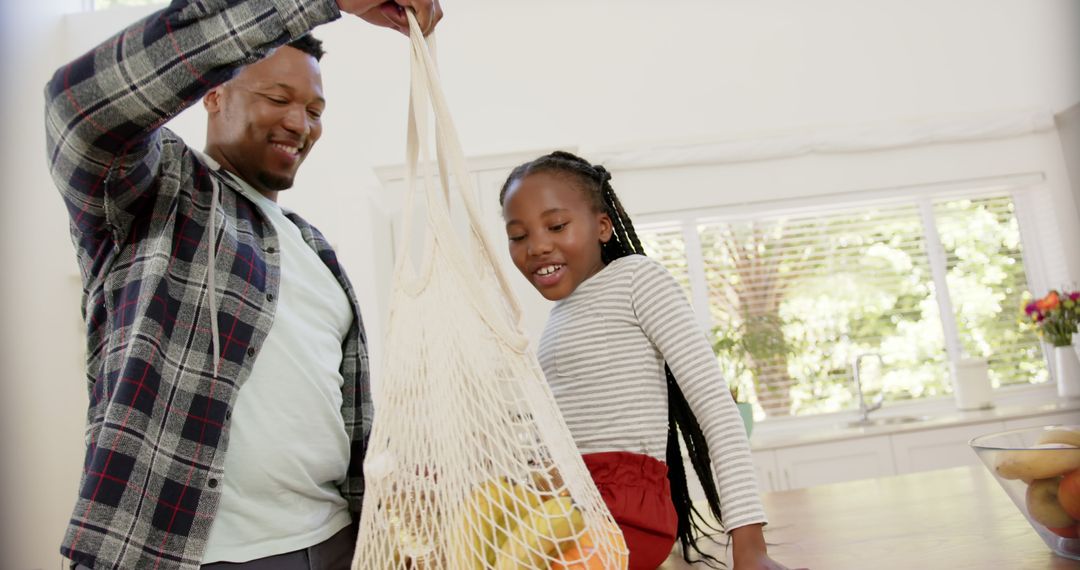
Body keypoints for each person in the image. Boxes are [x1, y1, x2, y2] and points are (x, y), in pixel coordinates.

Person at [44, 1, 441, 568]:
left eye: (314, 109)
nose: (299, 123)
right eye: (277, 99)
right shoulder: (157, 193)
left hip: (334, 540)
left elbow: (328, 408)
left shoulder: (315, 249)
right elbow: (76, 104)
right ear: (212, 92)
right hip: (183, 554)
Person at [499, 151, 802, 570]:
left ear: (602, 226)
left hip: (624, 508)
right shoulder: (558, 320)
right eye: (518, 235)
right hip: (568, 500)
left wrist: (751, 548)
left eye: (556, 225)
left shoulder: (638, 280)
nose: (537, 246)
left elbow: (716, 410)